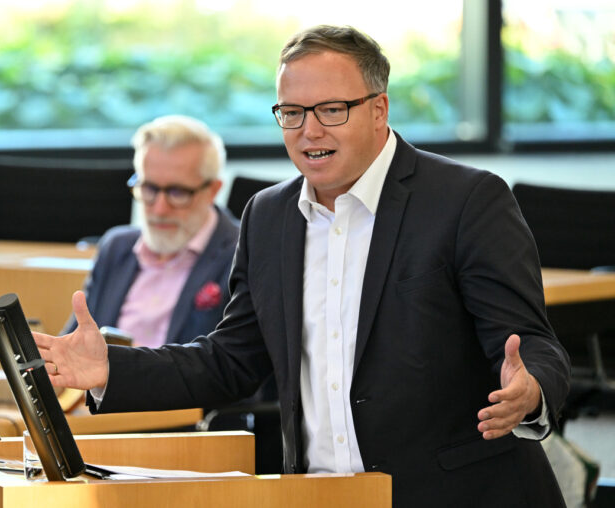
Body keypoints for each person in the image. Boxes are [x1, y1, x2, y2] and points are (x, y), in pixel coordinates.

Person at [35, 25, 570, 506]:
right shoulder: (268, 215)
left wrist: (532, 392)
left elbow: (531, 342)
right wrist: (111, 369)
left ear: (378, 110)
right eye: (292, 113)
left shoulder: (467, 200)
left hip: (457, 494)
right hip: (319, 494)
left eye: (331, 110)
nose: (309, 130)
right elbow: (231, 360)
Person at [62, 114, 238, 347]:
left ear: (213, 190)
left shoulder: (242, 254)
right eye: (149, 188)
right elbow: (72, 343)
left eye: (177, 193)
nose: (160, 208)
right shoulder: (116, 247)